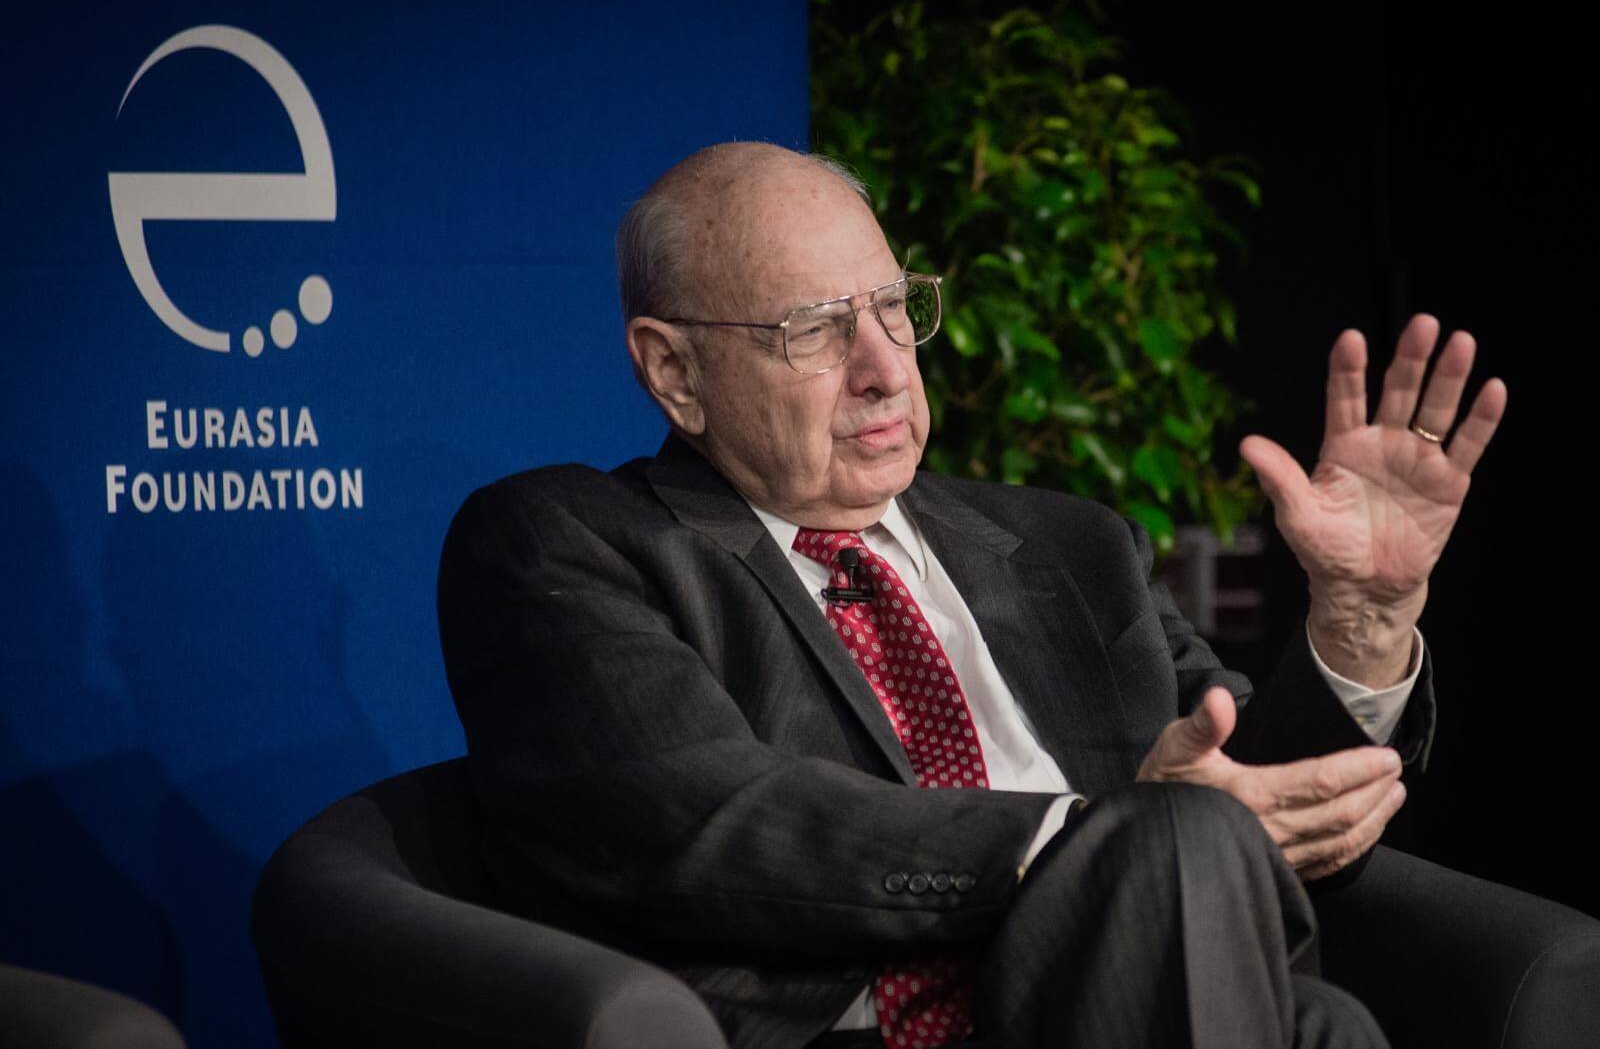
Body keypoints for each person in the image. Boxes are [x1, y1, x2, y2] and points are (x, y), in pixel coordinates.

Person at [435, 142, 1562, 1049]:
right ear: (673, 371)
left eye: (894, 308)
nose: (884, 367)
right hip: (865, 1027)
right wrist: (1093, 839)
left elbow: (1262, 802)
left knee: (1324, 1021)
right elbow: (707, 823)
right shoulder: (570, 541)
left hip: (1134, 1001)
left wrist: (1362, 619)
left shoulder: (1073, 547)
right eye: (815, 330)